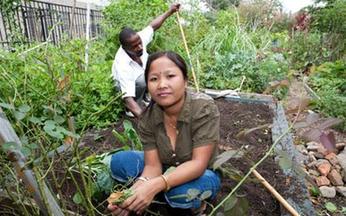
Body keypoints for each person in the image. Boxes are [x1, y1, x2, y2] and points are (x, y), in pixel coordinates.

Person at [108, 51, 221, 215]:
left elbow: (198, 164)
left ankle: (199, 205)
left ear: (185, 80)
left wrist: (154, 185)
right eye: (154, 79)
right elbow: (152, 166)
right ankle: (160, 193)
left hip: (203, 172)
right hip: (164, 167)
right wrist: (131, 196)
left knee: (180, 193)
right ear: (147, 85)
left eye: (170, 76)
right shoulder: (148, 117)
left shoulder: (203, 108)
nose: (161, 84)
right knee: (119, 162)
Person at [111, 4, 180, 118]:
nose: (140, 47)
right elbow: (127, 98)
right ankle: (134, 107)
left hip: (140, 72)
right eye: (135, 46)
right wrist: (146, 121)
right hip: (123, 84)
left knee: (156, 66)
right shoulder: (123, 65)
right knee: (141, 81)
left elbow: (153, 26)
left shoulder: (137, 39)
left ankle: (145, 96)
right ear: (125, 48)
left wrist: (170, 11)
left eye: (140, 43)